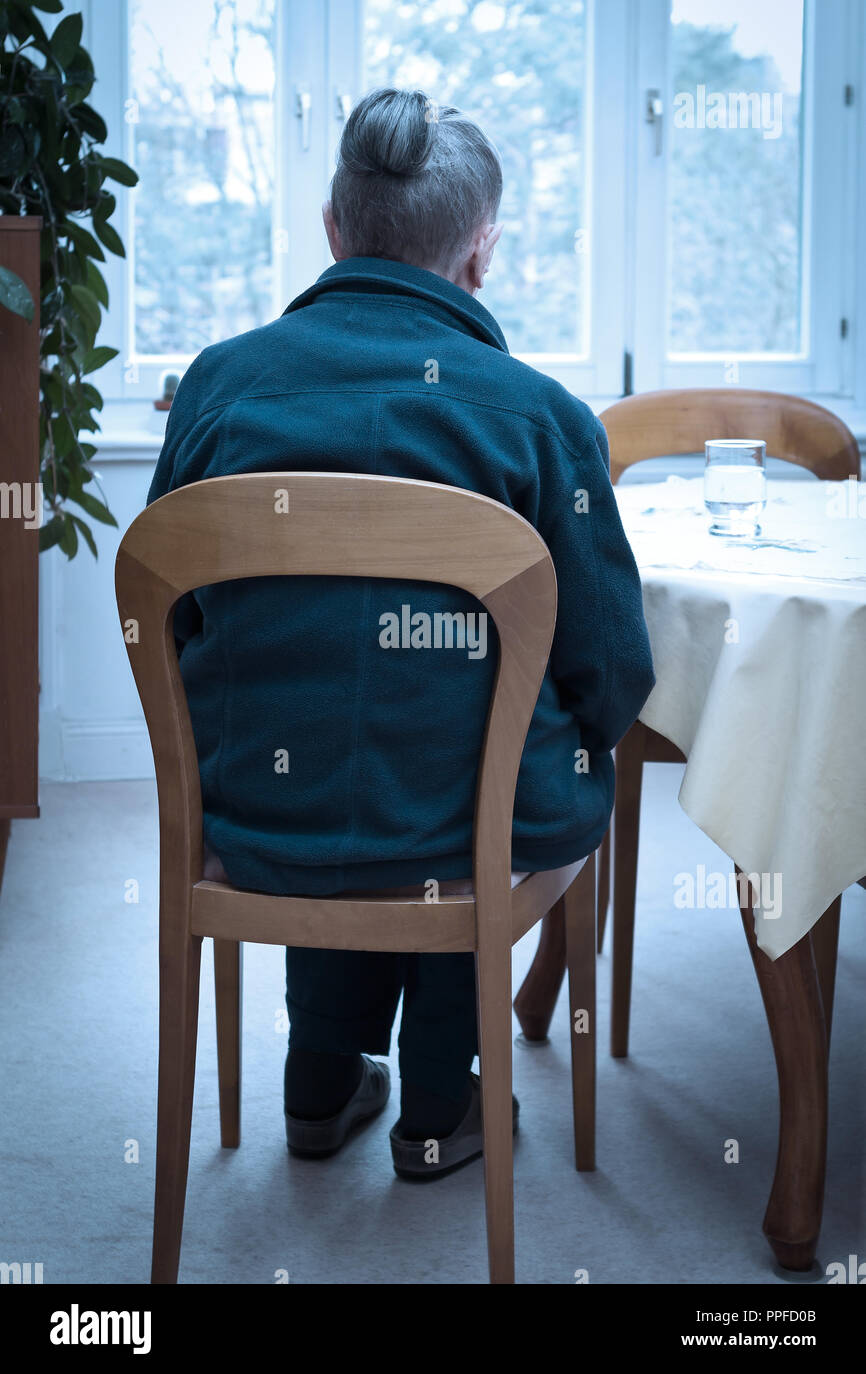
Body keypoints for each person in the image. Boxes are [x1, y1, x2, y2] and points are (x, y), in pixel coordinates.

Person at [147, 87, 654, 1181]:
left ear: (332, 229)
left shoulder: (216, 389)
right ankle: (439, 1101)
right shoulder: (539, 418)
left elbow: (177, 615)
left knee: (336, 731)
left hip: (255, 809)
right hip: (458, 825)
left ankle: (319, 1079)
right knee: (476, 765)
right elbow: (612, 672)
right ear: (482, 253)